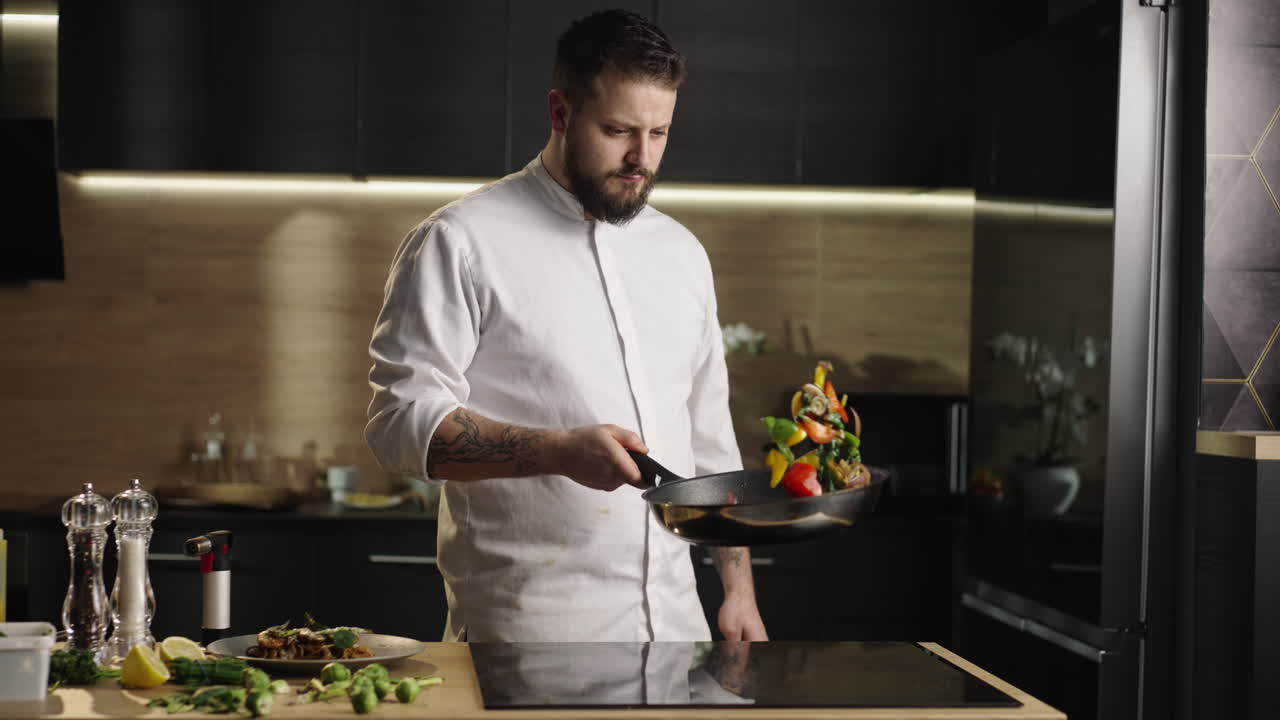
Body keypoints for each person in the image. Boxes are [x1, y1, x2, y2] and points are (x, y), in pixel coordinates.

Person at [364, 8, 768, 644]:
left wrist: (739, 592)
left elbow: (710, 443)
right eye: (618, 130)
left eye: (659, 132)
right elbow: (399, 426)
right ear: (560, 111)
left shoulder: (683, 253)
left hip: (676, 634)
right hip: (528, 638)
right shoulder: (460, 241)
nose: (641, 158)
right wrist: (555, 450)